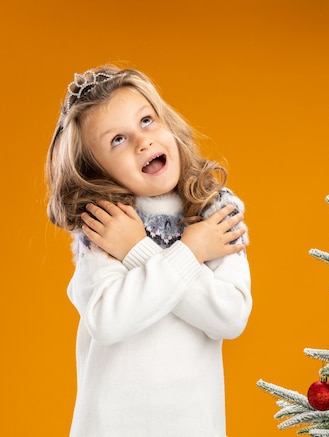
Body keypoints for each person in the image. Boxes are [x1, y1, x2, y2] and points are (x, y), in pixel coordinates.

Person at [45, 66, 252, 437]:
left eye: (147, 121)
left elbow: (230, 316)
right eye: (117, 140)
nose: (142, 141)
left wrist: (140, 251)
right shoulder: (107, 225)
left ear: (167, 124)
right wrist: (190, 252)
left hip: (195, 426)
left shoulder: (213, 213)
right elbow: (108, 320)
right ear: (95, 170)